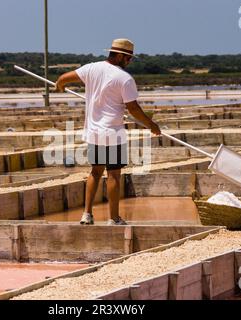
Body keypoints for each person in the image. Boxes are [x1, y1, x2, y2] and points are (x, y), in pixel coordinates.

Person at [55, 39, 161, 225]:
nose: (129, 62)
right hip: (113, 132)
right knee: (113, 174)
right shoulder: (124, 78)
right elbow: (134, 109)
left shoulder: (91, 68)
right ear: (120, 56)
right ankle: (114, 218)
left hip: (94, 131)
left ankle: (87, 214)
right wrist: (151, 125)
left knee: (95, 172)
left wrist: (60, 86)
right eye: (128, 58)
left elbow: (63, 78)